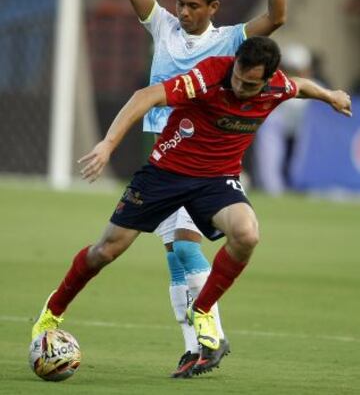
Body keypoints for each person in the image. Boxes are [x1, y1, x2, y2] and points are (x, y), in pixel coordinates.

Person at [32, 37, 352, 378]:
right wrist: (108, 145)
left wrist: (329, 96)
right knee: (105, 251)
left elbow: (299, 86)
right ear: (235, 64)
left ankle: (202, 311)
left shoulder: (276, 87)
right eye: (239, 77)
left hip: (216, 181)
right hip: (165, 175)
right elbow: (145, 96)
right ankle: (52, 312)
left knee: (247, 234)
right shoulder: (210, 75)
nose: (240, 86)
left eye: (250, 84)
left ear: (268, 79)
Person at [120, 0, 289, 377]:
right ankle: (196, 342)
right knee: (176, 251)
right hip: (161, 147)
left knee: (185, 248)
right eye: (181, 3)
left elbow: (276, 17)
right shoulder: (164, 28)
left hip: (196, 157)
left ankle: (207, 338)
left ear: (212, 8)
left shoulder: (231, 39)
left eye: (194, 5)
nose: (184, 11)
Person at [254, 43, 314, 194]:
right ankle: (273, 188)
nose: (294, 72)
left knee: (301, 155)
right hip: (278, 124)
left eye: (297, 69)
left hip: (302, 128)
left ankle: (300, 185)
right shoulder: (272, 81)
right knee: (269, 134)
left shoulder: (315, 85)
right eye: (290, 68)